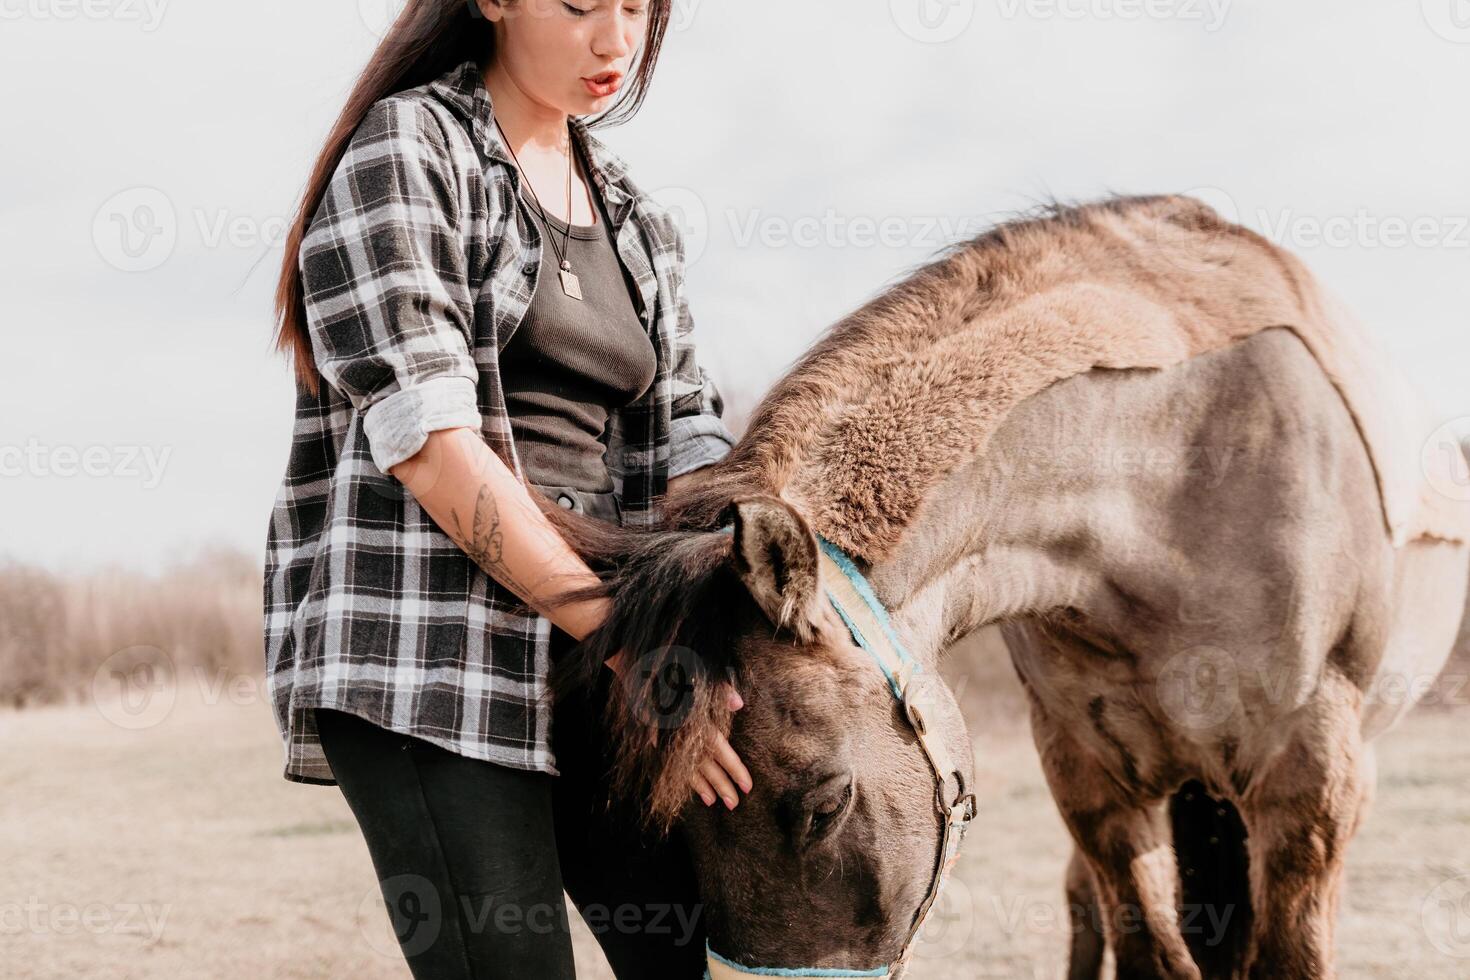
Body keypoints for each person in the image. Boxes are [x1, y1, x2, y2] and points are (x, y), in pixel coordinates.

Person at [262, 2, 750, 976]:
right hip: (435, 652)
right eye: (578, 5)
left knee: (679, 954)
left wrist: (736, 607)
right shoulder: (408, 153)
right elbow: (435, 449)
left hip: (606, 647)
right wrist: (628, 644)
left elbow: (693, 434)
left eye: (638, 8)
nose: (616, 41)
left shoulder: (635, 216)